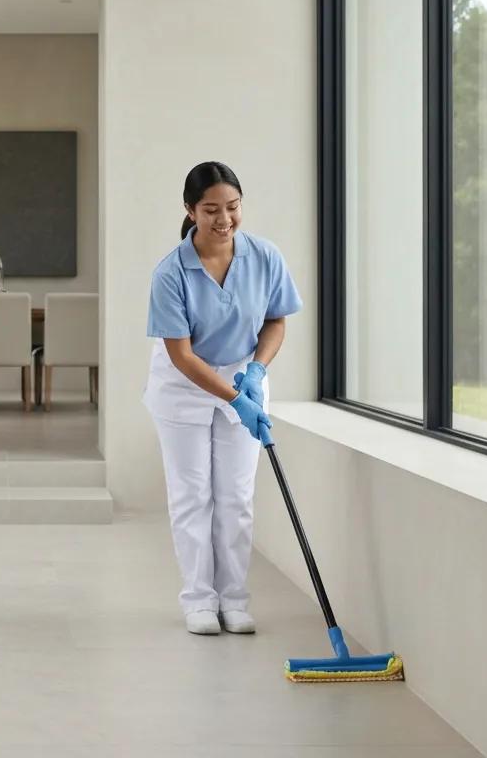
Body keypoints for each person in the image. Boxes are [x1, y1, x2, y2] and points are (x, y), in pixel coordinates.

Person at [143, 161, 301, 635]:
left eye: (232, 207)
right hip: (183, 386)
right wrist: (235, 398)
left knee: (237, 496)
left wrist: (255, 370)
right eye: (211, 209)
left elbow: (276, 320)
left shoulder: (264, 256)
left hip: (244, 378)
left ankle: (233, 599)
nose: (224, 219)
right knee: (193, 496)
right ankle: (198, 600)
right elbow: (182, 356)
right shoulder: (171, 272)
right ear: (190, 211)